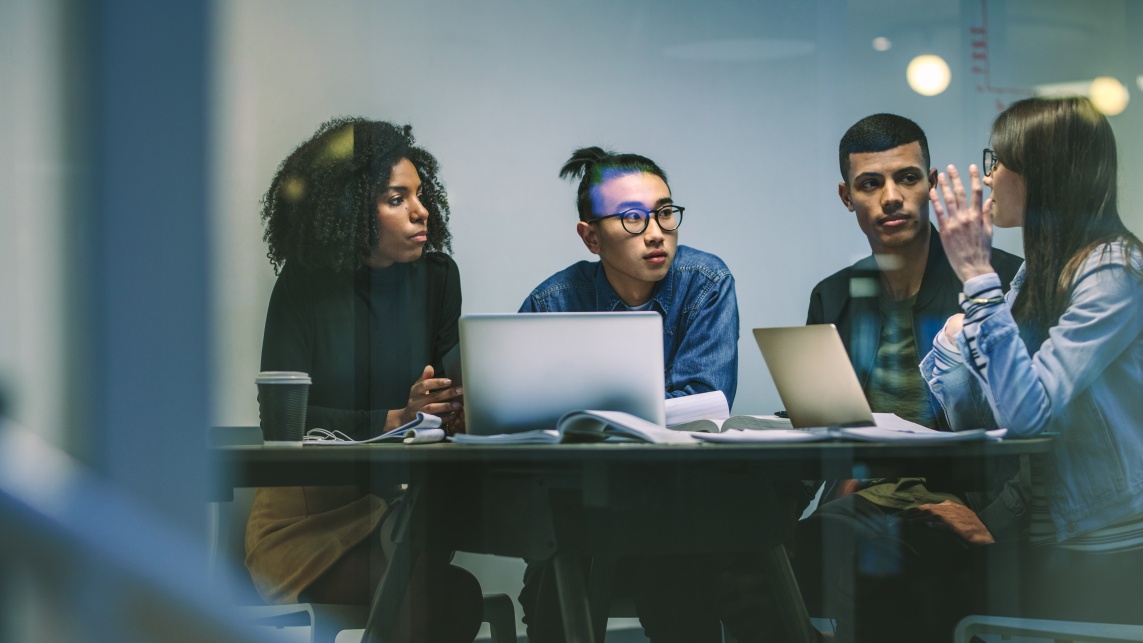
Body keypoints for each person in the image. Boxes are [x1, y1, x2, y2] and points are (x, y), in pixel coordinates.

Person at [517, 147, 805, 643]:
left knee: (679, 577)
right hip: (584, 509)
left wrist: (596, 416)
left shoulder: (706, 282)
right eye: (630, 219)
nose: (655, 233)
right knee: (555, 577)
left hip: (682, 503)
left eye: (665, 213)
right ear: (590, 237)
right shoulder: (553, 302)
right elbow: (522, 415)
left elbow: (703, 401)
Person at [245, 117, 482, 642]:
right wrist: (393, 419)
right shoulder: (304, 282)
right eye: (397, 199)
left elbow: (446, 397)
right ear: (351, 209)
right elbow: (283, 421)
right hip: (305, 519)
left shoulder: (439, 278)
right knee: (434, 588)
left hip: (399, 505)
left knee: (449, 585)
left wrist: (441, 402)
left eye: (420, 195)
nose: (422, 211)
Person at [795, 113, 1024, 643]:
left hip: (960, 502)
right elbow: (819, 431)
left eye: (907, 178)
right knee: (751, 562)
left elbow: (1040, 416)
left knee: (865, 566)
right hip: (860, 506)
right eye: (870, 184)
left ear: (934, 184)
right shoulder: (832, 296)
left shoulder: (995, 279)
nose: (891, 197)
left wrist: (999, 515)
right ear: (846, 197)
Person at [924, 95, 1143, 624]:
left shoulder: (1115, 270)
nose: (990, 176)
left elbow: (1026, 414)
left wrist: (976, 276)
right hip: (1051, 528)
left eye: (999, 161)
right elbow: (970, 414)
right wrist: (955, 340)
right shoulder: (1037, 274)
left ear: (1042, 174)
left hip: (1110, 539)